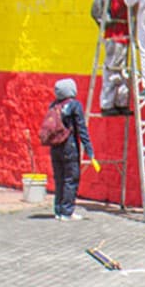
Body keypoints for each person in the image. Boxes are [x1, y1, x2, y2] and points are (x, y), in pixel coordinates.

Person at [48, 78, 95, 220]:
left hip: (55, 147)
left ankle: (58, 210)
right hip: (69, 147)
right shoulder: (75, 106)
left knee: (59, 178)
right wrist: (88, 148)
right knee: (71, 178)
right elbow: (81, 128)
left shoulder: (53, 105)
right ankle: (67, 212)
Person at [100, 0, 132, 115]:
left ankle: (120, 102)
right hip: (117, 37)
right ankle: (108, 104)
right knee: (114, 70)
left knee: (120, 71)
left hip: (118, 36)